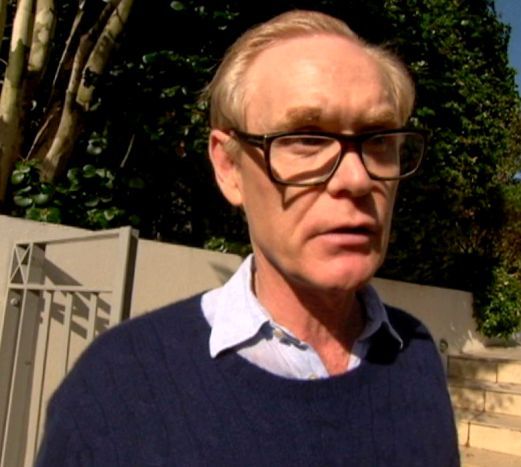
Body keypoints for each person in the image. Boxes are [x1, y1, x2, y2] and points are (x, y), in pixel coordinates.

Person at [36, 10, 459, 466]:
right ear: (229, 168)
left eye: (378, 139)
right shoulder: (115, 386)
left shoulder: (416, 355)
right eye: (306, 138)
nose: (356, 179)